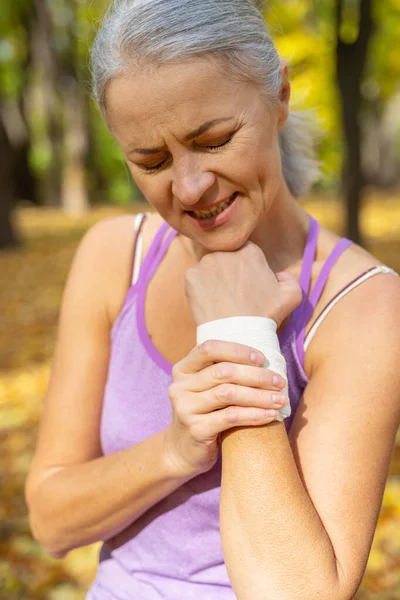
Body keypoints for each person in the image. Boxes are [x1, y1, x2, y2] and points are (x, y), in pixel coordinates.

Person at [25, 1, 400, 599]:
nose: (190, 186)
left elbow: (299, 593)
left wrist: (240, 336)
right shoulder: (112, 258)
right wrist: (174, 450)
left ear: (278, 95)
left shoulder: (364, 306)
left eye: (216, 140)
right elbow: (49, 520)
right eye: (151, 160)